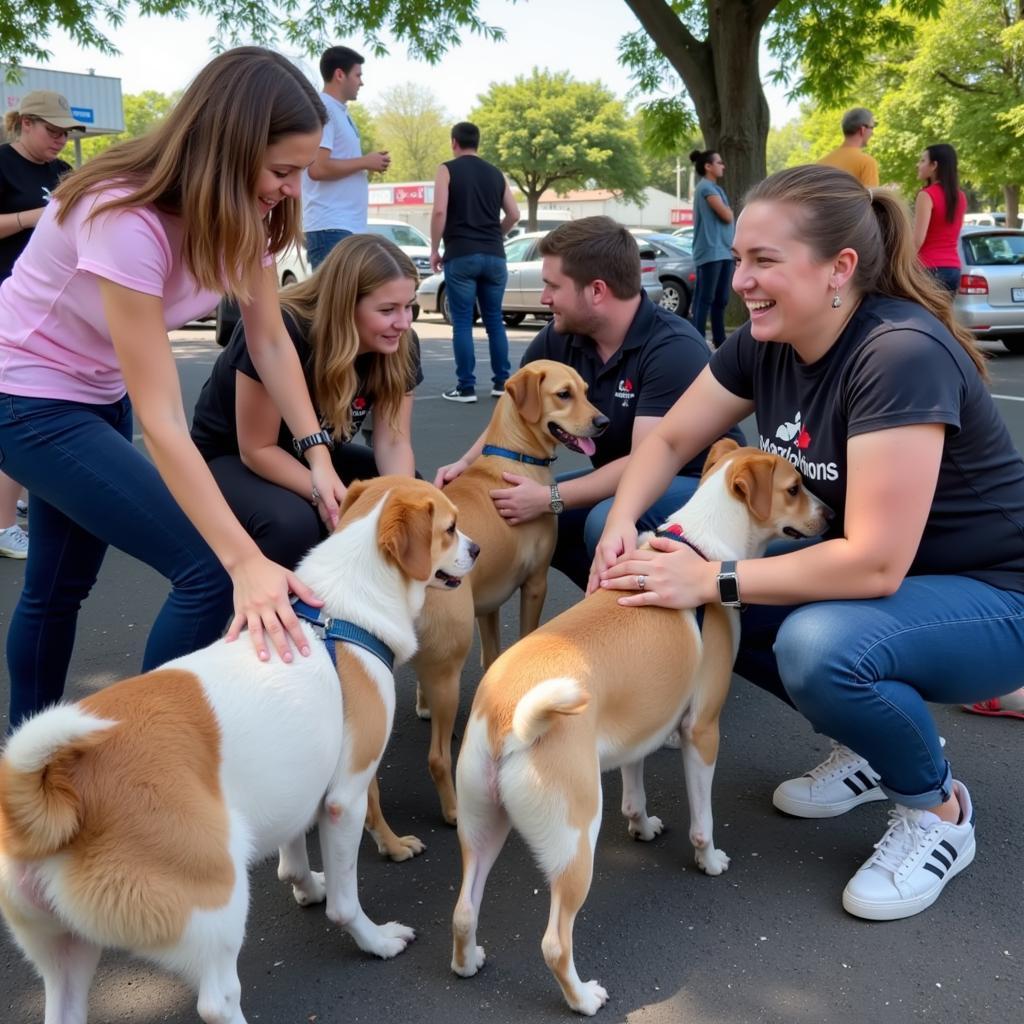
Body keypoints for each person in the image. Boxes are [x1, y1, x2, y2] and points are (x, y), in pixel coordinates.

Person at [593, 164, 1024, 921]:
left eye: (764, 262)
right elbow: (665, 446)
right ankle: (869, 743)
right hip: (892, 588)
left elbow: (875, 560)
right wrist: (623, 527)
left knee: (818, 644)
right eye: (741, 256)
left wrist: (713, 580)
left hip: (992, 596)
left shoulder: (897, 353)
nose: (740, 282)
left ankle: (938, 811)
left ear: (840, 268)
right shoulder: (767, 340)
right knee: (643, 531)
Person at [0, 47, 349, 731]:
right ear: (227, 145)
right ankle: (138, 761)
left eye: (300, 173)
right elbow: (164, 420)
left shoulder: (244, 216)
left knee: (56, 587)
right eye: (281, 170)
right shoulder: (122, 214)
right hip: (25, 394)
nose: (290, 189)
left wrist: (317, 454)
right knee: (208, 569)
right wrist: (246, 560)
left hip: (95, 392)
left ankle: (26, 766)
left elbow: (271, 340)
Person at [435, 216, 742, 589]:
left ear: (597, 290)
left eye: (552, 286)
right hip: (627, 478)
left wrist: (550, 497)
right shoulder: (561, 338)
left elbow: (648, 459)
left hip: (695, 480)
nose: (544, 298)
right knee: (531, 513)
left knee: (598, 519)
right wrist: (466, 464)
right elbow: (513, 411)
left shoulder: (673, 348)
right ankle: (616, 602)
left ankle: (648, 624)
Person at [191, 233, 422, 570]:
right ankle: (266, 615)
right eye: (387, 310)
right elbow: (257, 450)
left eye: (409, 306)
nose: (403, 323)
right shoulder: (282, 329)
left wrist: (400, 501)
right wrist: (337, 501)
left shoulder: (401, 343)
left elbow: (393, 440)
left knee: (412, 493)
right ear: (345, 305)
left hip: (316, 451)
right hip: (231, 456)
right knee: (293, 523)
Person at [0, 90, 85, 560]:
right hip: (9, 304)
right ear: (25, 123)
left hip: (51, 312)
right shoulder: (3, 164)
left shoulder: (63, 174)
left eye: (65, 132)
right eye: (52, 130)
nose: (59, 139)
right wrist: (35, 217)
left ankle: (25, 506)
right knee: (19, 413)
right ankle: (4, 525)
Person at [430, 121, 520, 403]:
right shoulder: (496, 174)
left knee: (462, 323)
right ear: (477, 143)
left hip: (461, 254)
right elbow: (514, 214)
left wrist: (435, 249)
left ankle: (466, 387)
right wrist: (496, 235)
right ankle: (502, 384)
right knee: (495, 321)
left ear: (454, 142)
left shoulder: (447, 170)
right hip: (495, 255)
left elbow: (439, 212)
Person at [303, 45, 391, 269]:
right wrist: (365, 162)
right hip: (331, 227)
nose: (361, 82)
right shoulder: (325, 110)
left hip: (345, 227)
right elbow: (317, 169)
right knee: (335, 303)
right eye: (358, 75)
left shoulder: (339, 112)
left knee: (349, 302)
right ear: (339, 75)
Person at [688, 148, 735, 349]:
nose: (723, 166)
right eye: (719, 162)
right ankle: (696, 342)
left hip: (724, 251)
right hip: (710, 252)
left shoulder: (716, 189)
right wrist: (729, 211)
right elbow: (727, 215)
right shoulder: (706, 188)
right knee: (704, 299)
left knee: (721, 300)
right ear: (708, 166)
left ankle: (719, 340)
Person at [913, 143, 966, 295]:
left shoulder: (926, 195)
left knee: (923, 318)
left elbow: (917, 240)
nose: (919, 165)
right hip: (953, 269)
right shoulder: (960, 197)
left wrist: (900, 265)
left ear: (934, 165)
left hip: (928, 269)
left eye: (923, 161)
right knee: (943, 318)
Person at [817, 108, 880, 187]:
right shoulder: (866, 163)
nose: (872, 133)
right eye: (872, 127)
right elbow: (872, 198)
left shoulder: (821, 163)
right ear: (862, 129)